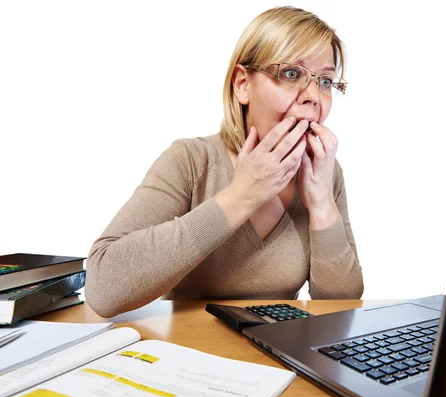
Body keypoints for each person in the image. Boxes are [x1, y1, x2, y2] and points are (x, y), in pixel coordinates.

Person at [85, 6, 364, 318]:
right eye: (291, 73)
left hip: (277, 357)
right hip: (186, 357)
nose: (313, 95)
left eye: (325, 81)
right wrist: (242, 196)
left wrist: (322, 202)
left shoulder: (325, 172)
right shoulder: (190, 161)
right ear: (243, 84)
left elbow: (342, 310)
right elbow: (103, 288)